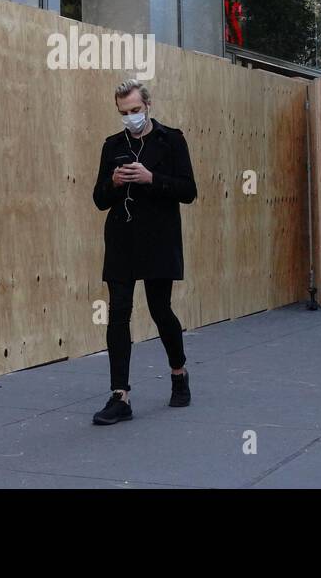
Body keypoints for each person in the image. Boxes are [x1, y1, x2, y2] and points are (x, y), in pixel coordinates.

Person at [90, 78, 197, 426]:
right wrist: (115, 183)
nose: (130, 118)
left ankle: (178, 372)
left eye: (135, 110)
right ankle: (120, 395)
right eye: (124, 113)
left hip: (159, 238)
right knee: (118, 312)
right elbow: (98, 199)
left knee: (160, 309)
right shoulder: (112, 146)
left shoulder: (171, 139)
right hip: (122, 238)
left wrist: (152, 178)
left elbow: (189, 190)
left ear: (147, 105)